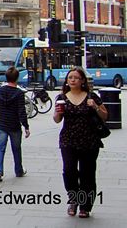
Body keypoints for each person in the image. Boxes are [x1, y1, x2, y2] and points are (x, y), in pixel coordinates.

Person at [53, 66, 108, 218]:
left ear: (82, 80)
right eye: (70, 78)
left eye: (76, 78)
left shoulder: (91, 96)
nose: (72, 80)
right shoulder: (62, 98)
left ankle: (85, 206)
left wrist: (95, 106)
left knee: (87, 174)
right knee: (69, 170)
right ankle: (74, 198)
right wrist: (58, 113)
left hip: (89, 140)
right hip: (68, 140)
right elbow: (57, 120)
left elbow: (105, 116)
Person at [0, 66, 30, 182]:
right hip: (14, 125)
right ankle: (19, 170)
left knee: (0, 148)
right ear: (17, 78)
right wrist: (26, 126)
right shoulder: (19, 93)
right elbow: (21, 111)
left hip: (1, 124)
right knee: (16, 149)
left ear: (6, 77)